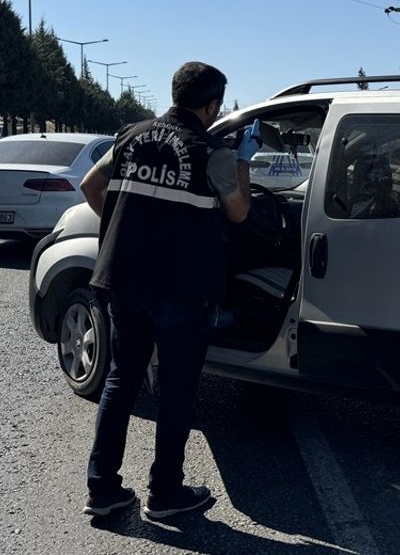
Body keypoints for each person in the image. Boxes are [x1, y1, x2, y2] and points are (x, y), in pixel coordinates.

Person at [78, 61, 261, 519]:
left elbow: (90, 185)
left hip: (124, 279)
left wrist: (131, 226)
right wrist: (243, 161)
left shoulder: (129, 135)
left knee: (121, 381)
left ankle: (102, 491)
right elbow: (238, 212)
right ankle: (165, 494)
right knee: (177, 390)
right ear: (213, 104)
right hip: (181, 288)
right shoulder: (212, 150)